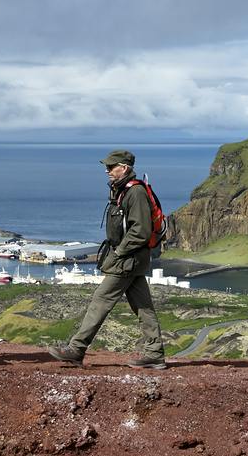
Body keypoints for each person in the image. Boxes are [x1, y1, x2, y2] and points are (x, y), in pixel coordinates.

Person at [48, 149, 166, 370]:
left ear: (125, 168)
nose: (107, 171)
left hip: (127, 259)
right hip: (132, 259)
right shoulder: (123, 191)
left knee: (100, 300)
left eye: (111, 167)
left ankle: (77, 349)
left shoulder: (135, 192)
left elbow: (140, 231)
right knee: (143, 307)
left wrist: (119, 252)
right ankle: (154, 353)